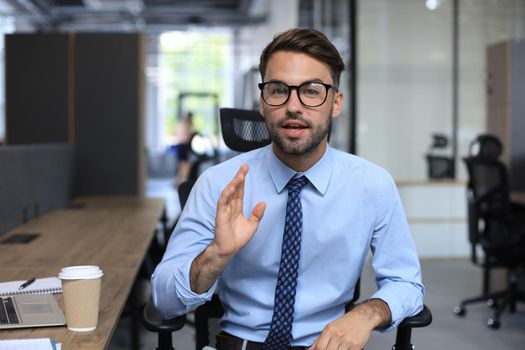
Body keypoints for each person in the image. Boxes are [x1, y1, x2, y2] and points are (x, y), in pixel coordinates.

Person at [152, 28, 424, 350]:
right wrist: (216, 255)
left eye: (311, 91)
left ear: (335, 103)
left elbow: (407, 283)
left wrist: (366, 313)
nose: (294, 106)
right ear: (263, 102)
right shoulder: (218, 184)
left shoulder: (373, 185)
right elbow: (164, 301)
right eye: (279, 89)